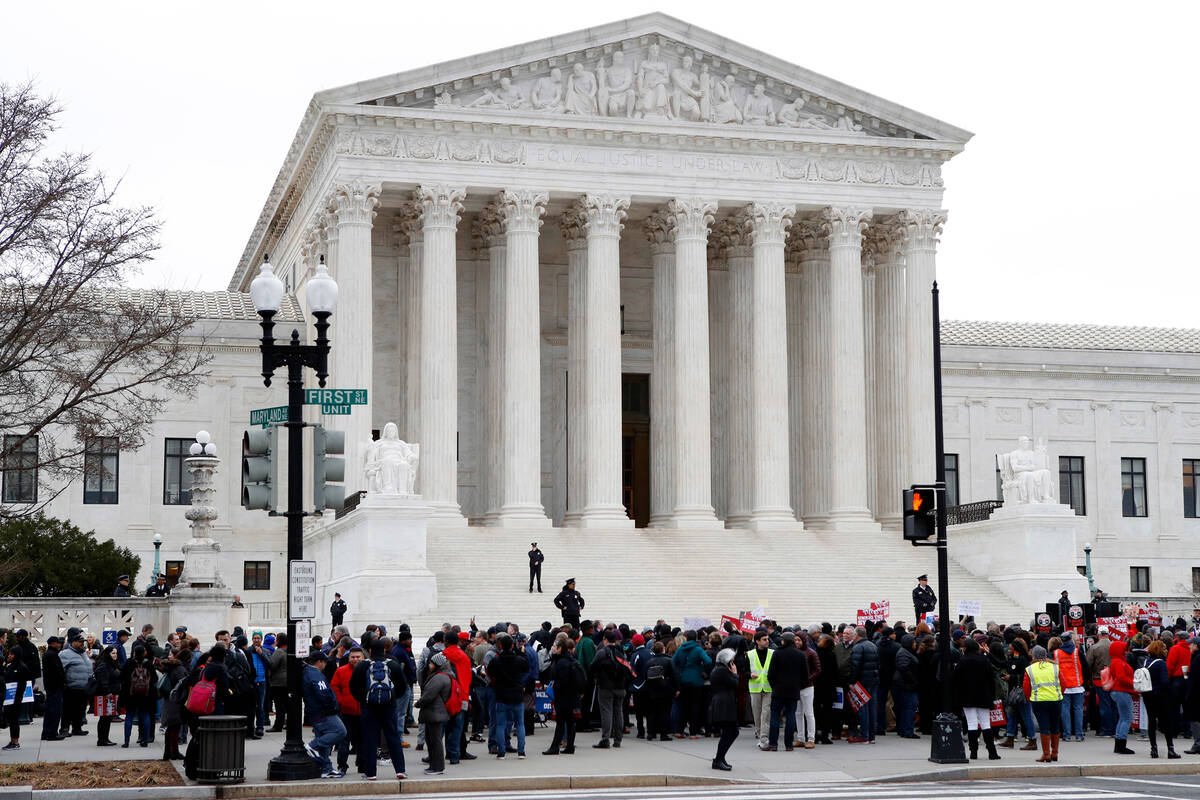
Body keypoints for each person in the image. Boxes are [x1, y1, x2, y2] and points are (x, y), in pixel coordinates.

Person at [349, 640, 408, 780]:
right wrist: (392, 697)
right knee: (393, 738)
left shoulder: (363, 665)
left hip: (369, 708)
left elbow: (353, 686)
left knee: (370, 740)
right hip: (389, 707)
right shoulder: (393, 664)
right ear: (385, 650)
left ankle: (371, 773)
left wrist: (363, 699)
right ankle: (400, 770)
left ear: (369, 651)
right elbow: (402, 686)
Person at [953, 637, 1001, 760]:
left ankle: (973, 752)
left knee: (972, 723)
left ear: (966, 648)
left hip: (967, 696)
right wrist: (992, 694)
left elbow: (957, 680)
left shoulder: (962, 661)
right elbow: (991, 678)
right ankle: (992, 752)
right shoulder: (984, 659)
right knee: (986, 724)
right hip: (984, 695)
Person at [301, 651, 346, 778]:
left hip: (315, 712)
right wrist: (332, 706)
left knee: (326, 739)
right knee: (340, 731)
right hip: (323, 711)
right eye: (324, 662)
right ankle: (312, 746)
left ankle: (326, 768)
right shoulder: (315, 674)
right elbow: (323, 693)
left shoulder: (307, 672)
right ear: (320, 662)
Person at [486, 633, 528, 758]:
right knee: (520, 724)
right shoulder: (519, 660)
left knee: (500, 724)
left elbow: (490, 673)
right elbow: (526, 667)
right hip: (517, 695)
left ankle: (501, 751)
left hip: (501, 695)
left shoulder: (495, 660)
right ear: (512, 645)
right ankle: (521, 751)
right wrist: (521, 653)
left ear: (501, 646)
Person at [764, 631, 808, 751]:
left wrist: (774, 686)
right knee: (791, 716)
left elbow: (771, 674)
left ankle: (773, 744)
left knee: (775, 716)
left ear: (783, 640)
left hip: (778, 689)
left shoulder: (778, 653)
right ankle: (789, 744)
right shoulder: (800, 654)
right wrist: (798, 686)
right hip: (793, 690)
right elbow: (805, 675)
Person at [590, 629, 629, 750]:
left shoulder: (602, 652)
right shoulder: (622, 651)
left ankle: (605, 738)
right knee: (619, 712)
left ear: (605, 640)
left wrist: (596, 677)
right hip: (620, 686)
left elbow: (593, 666)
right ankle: (618, 740)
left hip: (606, 686)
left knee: (606, 712)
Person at [544, 636, 583, 755]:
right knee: (570, 722)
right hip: (572, 696)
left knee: (561, 722)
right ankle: (570, 746)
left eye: (554, 647)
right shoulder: (571, 659)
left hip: (563, 697)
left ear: (560, 648)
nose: (553, 649)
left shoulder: (561, 662)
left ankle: (555, 746)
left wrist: (554, 687)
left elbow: (562, 681)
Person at [1023, 645, 1062, 762]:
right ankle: (1055, 753)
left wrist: (1030, 698)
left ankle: (1046, 754)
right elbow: (1063, 683)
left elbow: (1026, 687)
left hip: (1039, 701)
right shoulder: (1055, 667)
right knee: (1055, 726)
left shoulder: (1030, 669)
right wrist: (1058, 694)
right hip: (1055, 699)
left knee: (1044, 727)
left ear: (1034, 656)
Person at [415, 652, 452, 775]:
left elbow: (429, 695)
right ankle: (434, 765)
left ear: (437, 664)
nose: (429, 665)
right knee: (432, 739)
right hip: (435, 711)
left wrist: (418, 703)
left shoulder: (439, 677)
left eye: (431, 663)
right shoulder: (442, 675)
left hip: (435, 712)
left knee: (434, 740)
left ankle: (437, 767)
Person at [1142, 639, 1179, 759]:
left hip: (1147, 695)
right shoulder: (1161, 663)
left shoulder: (1145, 662)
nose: (1166, 650)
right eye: (1164, 648)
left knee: (1151, 721)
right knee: (1166, 722)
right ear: (1159, 650)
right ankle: (1170, 749)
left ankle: (1154, 749)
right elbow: (1164, 682)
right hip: (1160, 697)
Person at [673, 630, 712, 739]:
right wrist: (703, 671)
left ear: (686, 638)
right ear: (696, 638)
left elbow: (673, 661)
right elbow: (708, 661)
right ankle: (693, 732)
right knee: (695, 706)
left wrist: (680, 671)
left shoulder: (681, 649)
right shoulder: (698, 649)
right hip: (696, 681)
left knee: (683, 706)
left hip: (683, 680)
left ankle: (679, 731)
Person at [331, 646, 363, 775]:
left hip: (363, 712)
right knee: (344, 741)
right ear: (349, 658)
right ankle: (342, 765)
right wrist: (341, 702)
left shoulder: (368, 670)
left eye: (358, 657)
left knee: (362, 740)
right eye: (353, 657)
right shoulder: (341, 671)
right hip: (346, 712)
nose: (355, 659)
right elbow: (334, 688)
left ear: (363, 658)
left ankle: (362, 764)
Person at [119, 644, 157, 747]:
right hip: (145, 694)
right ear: (144, 653)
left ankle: (126, 741)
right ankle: (145, 740)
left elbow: (122, 677)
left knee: (129, 716)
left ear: (134, 653)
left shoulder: (129, 663)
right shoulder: (148, 664)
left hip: (130, 694)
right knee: (145, 715)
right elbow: (155, 679)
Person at [848, 626, 880, 743]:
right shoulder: (873, 645)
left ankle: (864, 735)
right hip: (873, 680)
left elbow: (855, 666)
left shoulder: (858, 647)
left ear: (856, 635)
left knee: (863, 708)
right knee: (872, 708)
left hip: (862, 682)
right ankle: (871, 736)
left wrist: (852, 682)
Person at [709, 648, 739, 771]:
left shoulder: (720, 669)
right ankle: (718, 759)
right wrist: (735, 674)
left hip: (724, 703)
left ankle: (720, 758)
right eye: (732, 659)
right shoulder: (722, 670)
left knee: (731, 732)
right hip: (724, 704)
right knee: (730, 732)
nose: (733, 662)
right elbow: (734, 683)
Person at [643, 641, 679, 741]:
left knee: (652, 712)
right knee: (665, 712)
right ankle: (664, 734)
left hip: (651, 690)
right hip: (666, 690)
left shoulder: (649, 662)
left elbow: (644, 676)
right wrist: (677, 688)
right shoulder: (669, 660)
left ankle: (651, 733)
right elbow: (675, 675)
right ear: (663, 649)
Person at [158, 649, 189, 760]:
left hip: (168, 700)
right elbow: (183, 685)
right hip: (175, 701)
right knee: (175, 728)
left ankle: (168, 752)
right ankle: (174, 752)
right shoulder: (179, 669)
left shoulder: (169, 668)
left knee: (171, 728)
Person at [1055, 631, 1085, 741]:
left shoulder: (1056, 653)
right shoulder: (1078, 652)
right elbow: (1086, 668)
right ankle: (1079, 734)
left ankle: (1067, 735)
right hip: (1077, 685)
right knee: (1078, 710)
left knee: (1065, 710)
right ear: (1071, 640)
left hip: (1063, 687)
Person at [1107, 639, 1136, 754]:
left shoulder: (1116, 660)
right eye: (1124, 649)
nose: (1126, 651)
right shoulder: (1118, 661)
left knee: (1123, 718)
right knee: (1127, 718)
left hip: (1119, 691)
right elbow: (1121, 677)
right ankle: (1121, 745)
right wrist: (1134, 682)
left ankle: (1119, 744)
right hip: (1122, 691)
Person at [1086, 626, 1115, 737]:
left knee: (1104, 705)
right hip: (1113, 679)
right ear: (1108, 634)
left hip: (1099, 680)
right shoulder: (1114, 645)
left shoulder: (1094, 648)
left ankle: (1106, 730)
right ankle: (1113, 729)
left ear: (1098, 635)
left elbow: (1088, 665)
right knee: (1113, 705)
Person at [0, 647, 31, 750]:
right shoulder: (10, 666)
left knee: (14, 720)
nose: (10, 656)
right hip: (9, 698)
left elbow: (22, 685)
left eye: (12, 654)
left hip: (16, 698)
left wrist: (18, 699)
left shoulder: (22, 667)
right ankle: (13, 740)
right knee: (11, 719)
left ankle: (15, 742)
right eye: (9, 654)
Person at [92, 645, 123, 746]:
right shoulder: (104, 665)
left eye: (116, 653)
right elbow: (102, 680)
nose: (115, 655)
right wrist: (107, 692)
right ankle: (102, 740)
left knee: (107, 718)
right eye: (113, 653)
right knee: (104, 718)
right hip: (105, 695)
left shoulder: (112, 664)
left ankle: (105, 738)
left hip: (111, 694)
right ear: (108, 654)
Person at [747, 630, 773, 747]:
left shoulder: (773, 653)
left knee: (766, 713)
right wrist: (749, 674)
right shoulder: (750, 654)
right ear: (757, 641)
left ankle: (764, 736)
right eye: (764, 639)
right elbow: (743, 670)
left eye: (767, 639)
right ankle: (758, 731)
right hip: (755, 687)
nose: (767, 641)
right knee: (756, 712)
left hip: (768, 687)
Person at [892, 633, 920, 738]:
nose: (915, 644)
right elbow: (903, 668)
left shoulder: (905, 652)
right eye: (913, 642)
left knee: (905, 708)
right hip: (906, 685)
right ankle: (907, 730)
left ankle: (904, 729)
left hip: (904, 684)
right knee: (910, 707)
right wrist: (913, 681)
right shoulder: (904, 653)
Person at [40, 636, 67, 741]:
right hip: (55, 687)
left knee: (49, 710)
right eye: (58, 643)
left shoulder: (48, 654)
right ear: (53, 644)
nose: (60, 645)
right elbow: (57, 672)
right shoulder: (52, 655)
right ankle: (52, 733)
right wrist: (63, 682)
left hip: (51, 686)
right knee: (55, 710)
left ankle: (46, 733)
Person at [267, 632, 288, 731]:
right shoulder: (289, 651)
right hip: (288, 682)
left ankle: (278, 725)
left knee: (279, 705)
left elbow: (272, 665)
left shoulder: (279, 652)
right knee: (287, 705)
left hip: (278, 682)